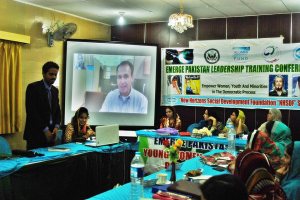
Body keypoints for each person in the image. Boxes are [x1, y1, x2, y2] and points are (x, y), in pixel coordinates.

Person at [23, 61, 61, 150]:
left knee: (50, 162)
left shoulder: (55, 90)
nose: (54, 77)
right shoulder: (33, 87)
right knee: (35, 162)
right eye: (51, 74)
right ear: (43, 74)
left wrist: (56, 127)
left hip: (51, 134)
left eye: (55, 74)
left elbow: (57, 111)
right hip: (36, 134)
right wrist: (45, 130)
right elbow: (32, 112)